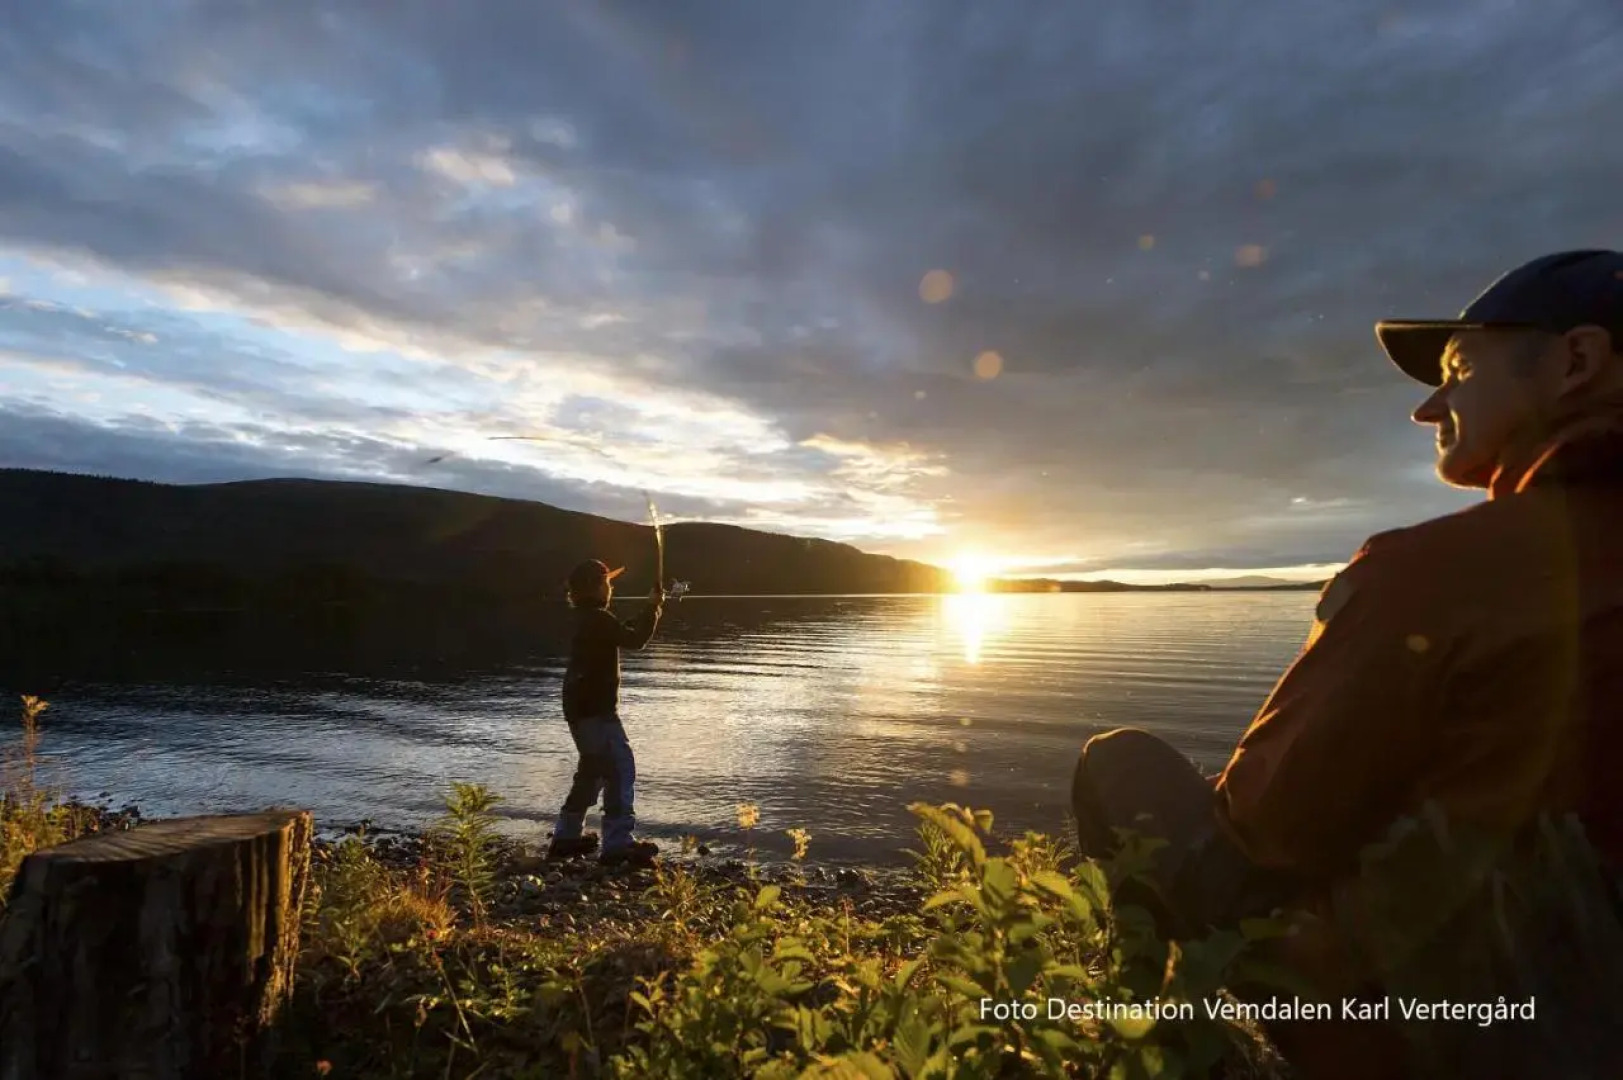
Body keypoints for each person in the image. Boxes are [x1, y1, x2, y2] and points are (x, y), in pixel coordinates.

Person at [1070, 249, 1623, 1078]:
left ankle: (1166, 1050)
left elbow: (1266, 835)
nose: (1428, 407)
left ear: (1576, 362)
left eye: (1457, 368)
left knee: (1121, 766)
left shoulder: (1437, 572)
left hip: (1462, 1034)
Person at [547, 558, 664, 865]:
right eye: (608, 583)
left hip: (577, 708)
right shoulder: (598, 619)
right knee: (619, 769)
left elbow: (622, 634)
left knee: (592, 771)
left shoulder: (585, 618)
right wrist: (652, 608)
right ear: (596, 587)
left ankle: (566, 837)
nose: (610, 588)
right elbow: (634, 639)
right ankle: (617, 843)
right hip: (596, 711)